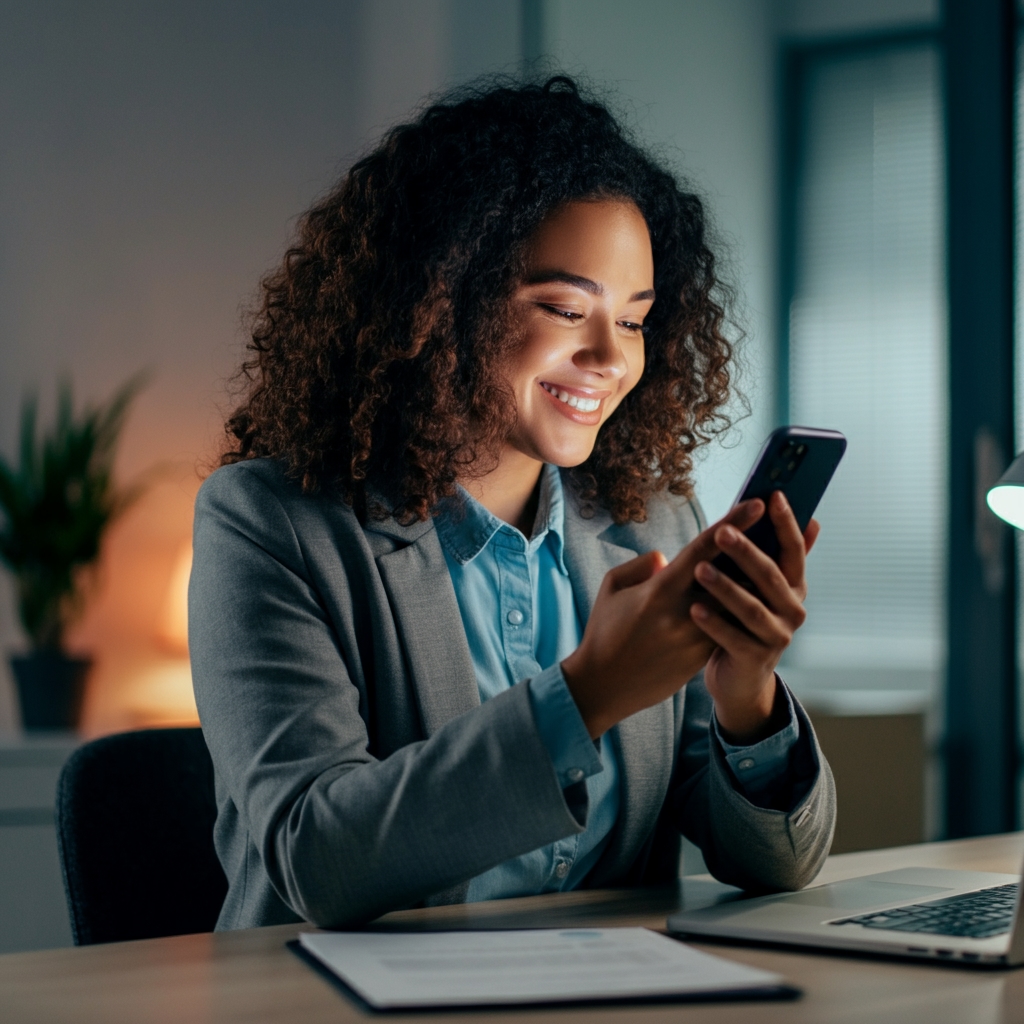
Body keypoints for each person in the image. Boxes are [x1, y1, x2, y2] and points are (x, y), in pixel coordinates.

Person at [190, 76, 836, 932]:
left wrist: (746, 691)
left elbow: (777, 863)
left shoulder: (651, 520)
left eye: (636, 321)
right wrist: (589, 693)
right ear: (439, 302)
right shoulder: (270, 525)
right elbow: (320, 853)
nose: (611, 356)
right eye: (567, 309)